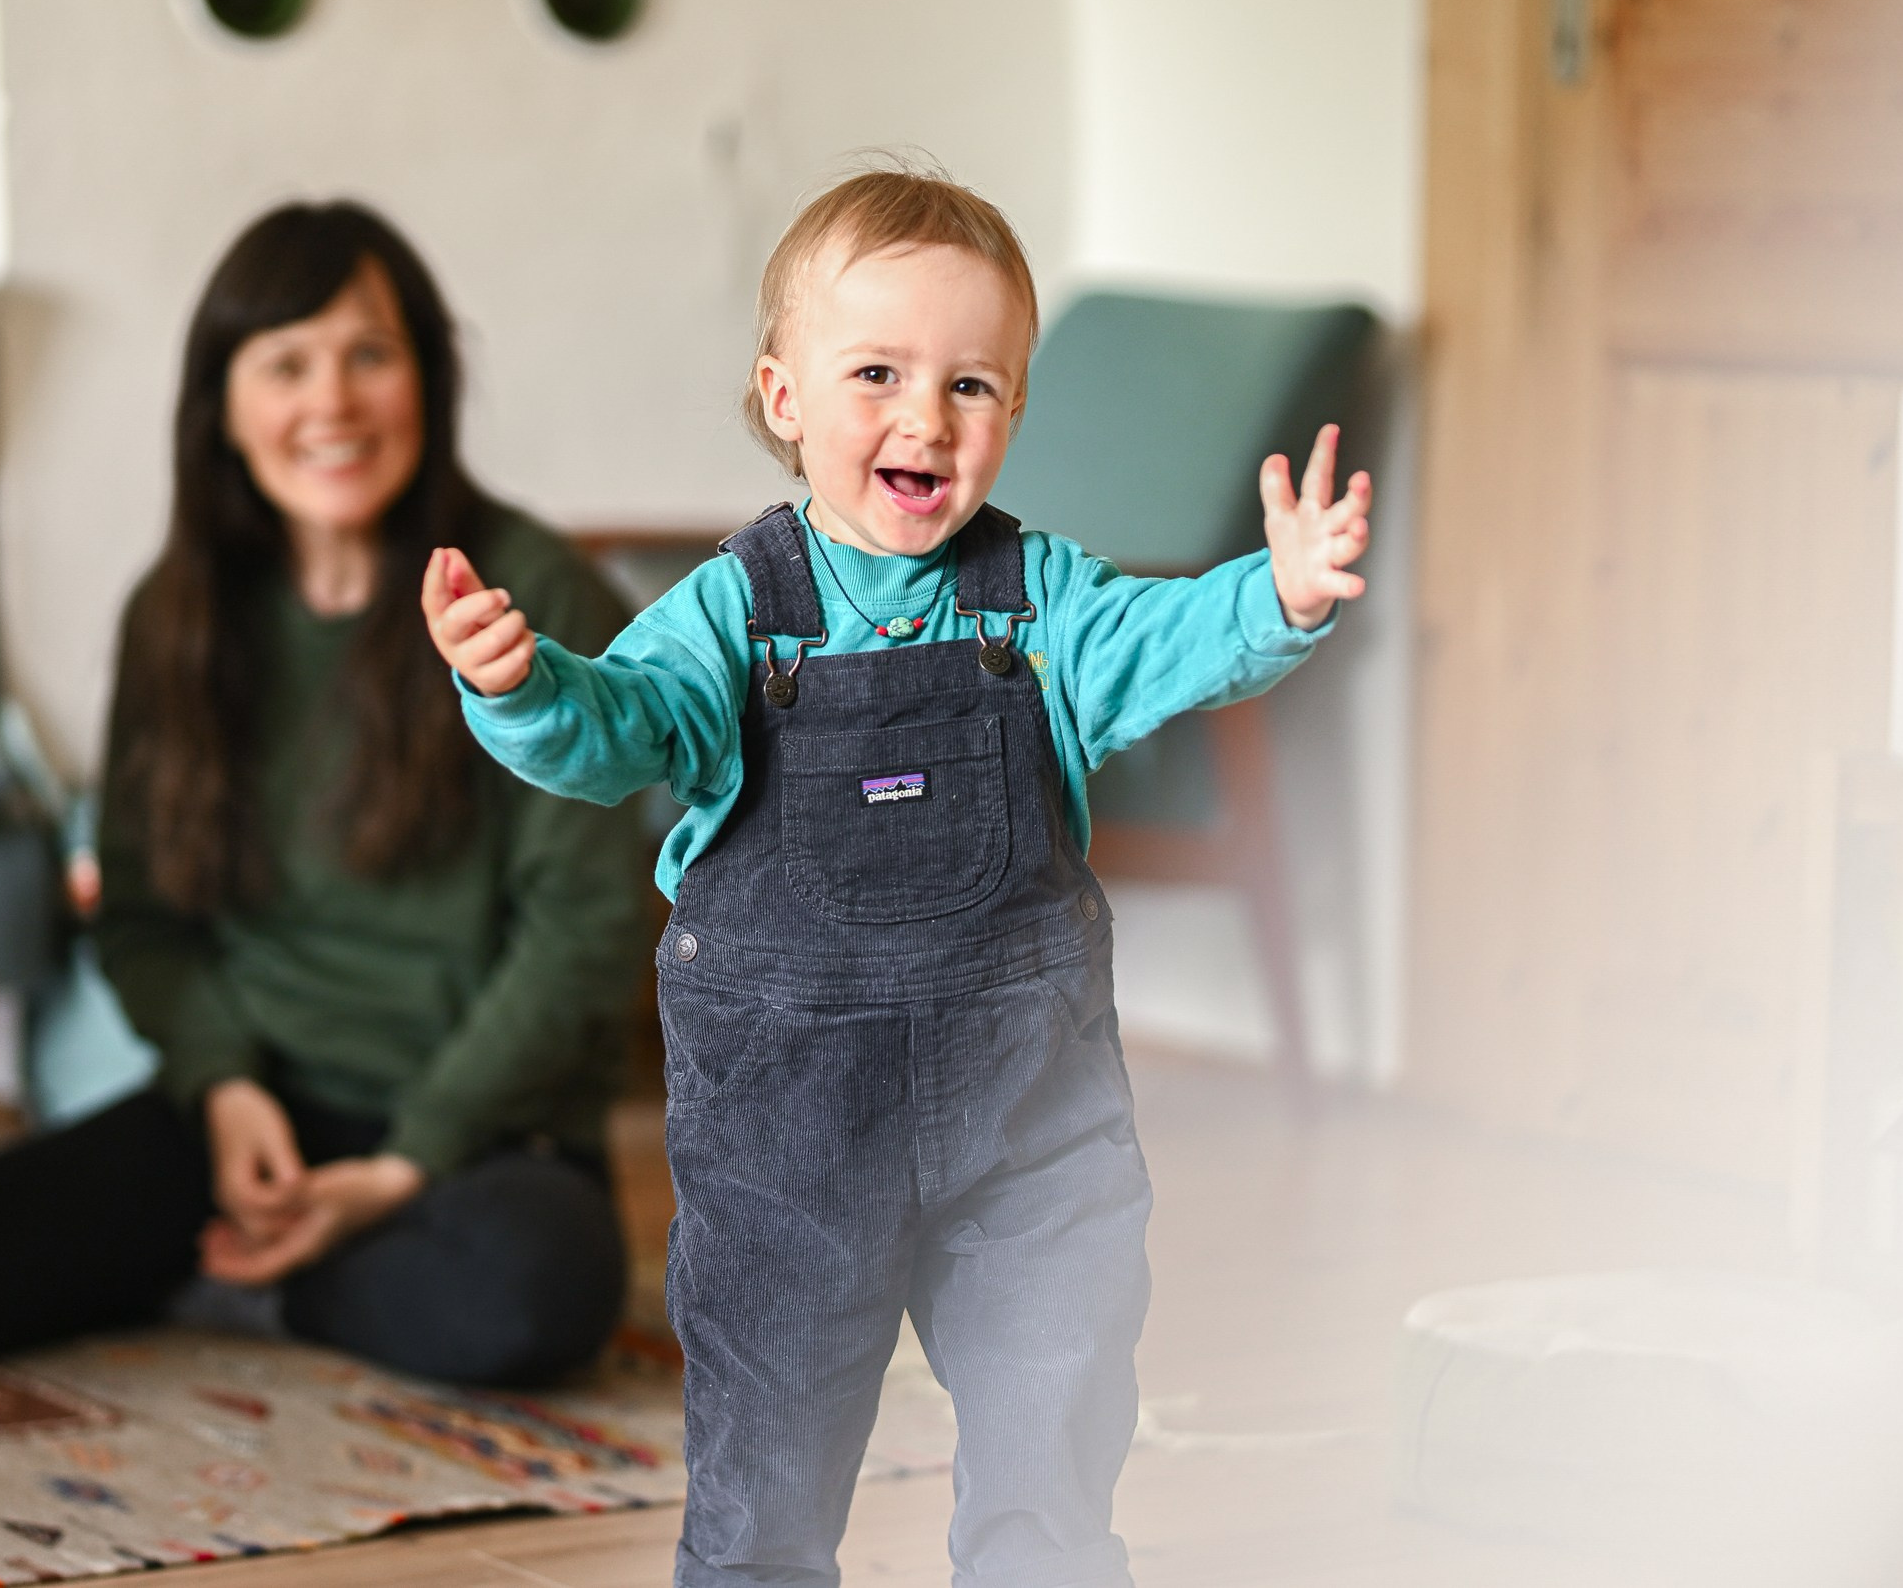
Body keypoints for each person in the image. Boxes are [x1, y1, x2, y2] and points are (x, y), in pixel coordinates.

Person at [423, 167, 1373, 1587]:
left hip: (1030, 1123)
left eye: (974, 384)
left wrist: (1278, 593)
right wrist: (523, 685)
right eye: (878, 372)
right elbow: (618, 728)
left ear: (1016, 410)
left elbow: (1172, 640)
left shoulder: (1043, 600)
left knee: (1054, 1440)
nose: (928, 417)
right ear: (784, 395)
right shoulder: (734, 611)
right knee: (767, 1477)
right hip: (787, 1136)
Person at [0, 202, 649, 1387]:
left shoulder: (535, 596)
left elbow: (587, 930)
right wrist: (224, 1087)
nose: (331, 404)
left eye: (369, 356)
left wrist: (405, 1163)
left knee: (528, 1302)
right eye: (285, 364)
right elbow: (145, 917)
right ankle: (246, 1244)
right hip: (244, 1114)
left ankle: (253, 1276)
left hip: (483, 1137)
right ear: (224, 404)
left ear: (430, 381)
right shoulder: (179, 614)